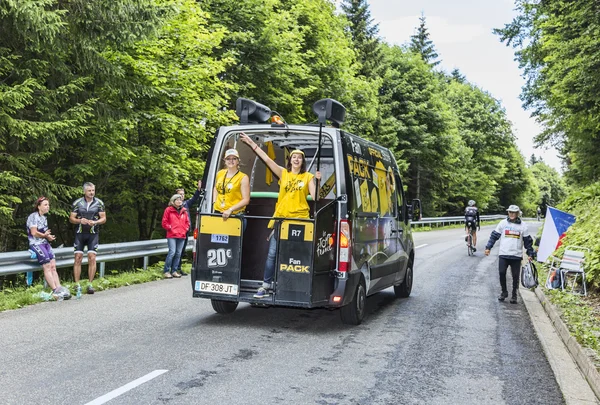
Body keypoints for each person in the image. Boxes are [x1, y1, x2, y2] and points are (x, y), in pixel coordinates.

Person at [239, 133, 321, 298]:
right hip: (281, 220)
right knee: (272, 254)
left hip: (299, 221)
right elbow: (268, 160)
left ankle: (299, 286)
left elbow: (316, 196)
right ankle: (265, 285)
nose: (296, 159)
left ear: (303, 161)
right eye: (294, 157)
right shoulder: (283, 173)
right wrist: (251, 144)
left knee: (297, 255)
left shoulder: (308, 177)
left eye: (299, 157)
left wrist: (318, 181)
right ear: (290, 160)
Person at [484, 205, 535, 304]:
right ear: (508, 213)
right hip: (504, 253)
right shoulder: (503, 223)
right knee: (502, 273)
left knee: (515, 276)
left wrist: (530, 253)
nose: (512, 214)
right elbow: (494, 236)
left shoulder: (523, 226)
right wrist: (488, 247)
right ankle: (504, 292)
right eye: (510, 212)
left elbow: (527, 241)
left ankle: (514, 294)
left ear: (517, 214)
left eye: (514, 212)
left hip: (516, 255)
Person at [27, 197, 70, 300]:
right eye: (45, 205)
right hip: (36, 244)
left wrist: (48, 237)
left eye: (48, 205)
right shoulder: (33, 216)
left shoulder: (44, 218)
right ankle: (55, 290)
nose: (48, 207)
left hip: (45, 243)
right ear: (39, 206)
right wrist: (45, 236)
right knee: (46, 266)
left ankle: (59, 288)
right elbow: (34, 233)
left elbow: (44, 233)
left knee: (53, 266)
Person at [69, 182, 106, 295]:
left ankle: (90, 284)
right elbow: (71, 218)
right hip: (80, 234)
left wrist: (95, 222)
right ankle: (77, 284)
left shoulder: (99, 203)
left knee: (92, 257)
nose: (91, 193)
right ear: (84, 191)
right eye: (89, 191)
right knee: (78, 258)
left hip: (93, 234)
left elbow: (103, 218)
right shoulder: (77, 203)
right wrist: (80, 221)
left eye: (93, 190)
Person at [212, 149, 250, 225]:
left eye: (234, 158)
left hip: (235, 215)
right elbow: (216, 188)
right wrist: (214, 203)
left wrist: (230, 209)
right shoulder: (220, 173)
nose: (231, 161)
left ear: (238, 161)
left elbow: (246, 200)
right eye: (228, 158)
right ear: (225, 160)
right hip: (218, 213)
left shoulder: (243, 177)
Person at [173, 180, 202, 276]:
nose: (182, 196)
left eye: (183, 194)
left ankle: (178, 268)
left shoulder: (186, 204)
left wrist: (198, 189)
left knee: (181, 251)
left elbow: (194, 198)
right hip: (176, 232)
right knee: (175, 251)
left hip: (185, 232)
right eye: (180, 194)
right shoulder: (173, 206)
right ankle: (173, 269)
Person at [161, 194, 190, 278]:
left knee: (178, 254)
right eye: (177, 200)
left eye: (180, 200)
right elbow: (164, 222)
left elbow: (187, 222)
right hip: (172, 234)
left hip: (181, 235)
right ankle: (166, 271)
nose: (179, 201)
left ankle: (174, 271)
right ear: (173, 201)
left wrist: (185, 229)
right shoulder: (168, 210)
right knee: (172, 252)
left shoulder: (184, 211)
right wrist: (170, 227)